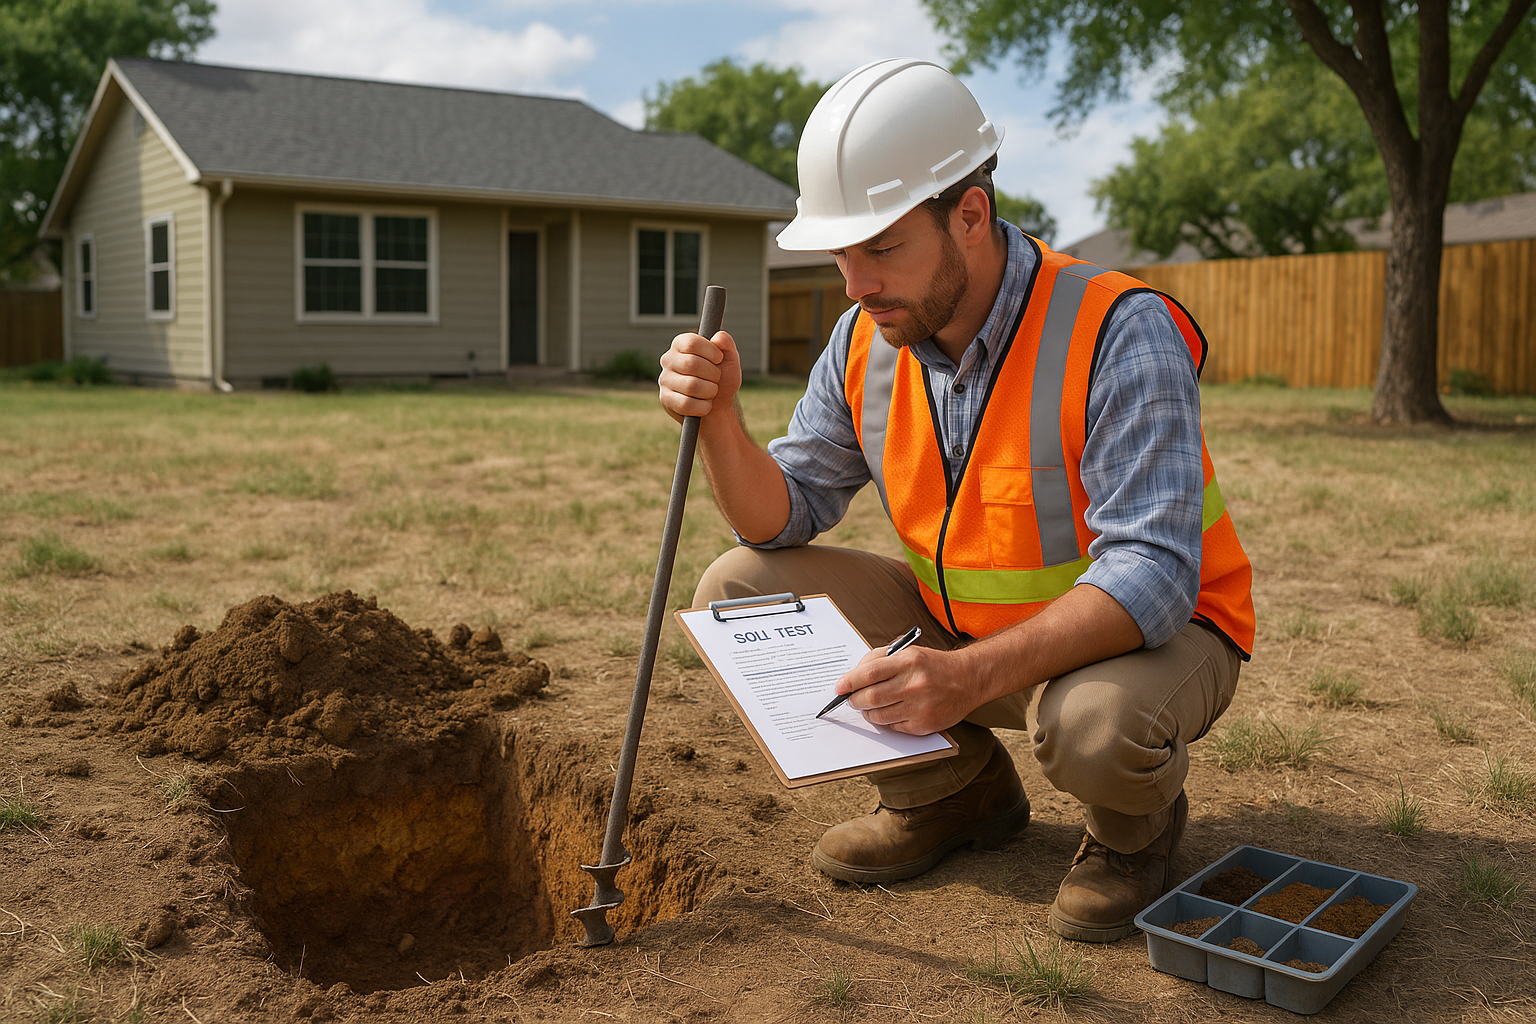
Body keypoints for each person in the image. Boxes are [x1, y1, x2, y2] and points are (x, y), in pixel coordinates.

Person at [657, 58, 1255, 943]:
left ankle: (1134, 835)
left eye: (882, 247)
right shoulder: (867, 337)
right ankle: (954, 793)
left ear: (969, 215)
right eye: (842, 253)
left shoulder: (1118, 329)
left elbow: (1156, 576)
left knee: (1091, 725)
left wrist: (964, 676)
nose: (855, 282)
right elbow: (779, 516)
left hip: (1148, 646)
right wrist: (719, 421)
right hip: (963, 637)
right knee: (738, 591)